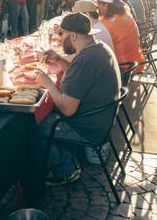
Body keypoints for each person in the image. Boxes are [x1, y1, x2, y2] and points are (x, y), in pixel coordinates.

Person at [36, 12, 120, 185]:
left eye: (61, 34)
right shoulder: (97, 48)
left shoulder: (86, 60)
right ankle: (66, 154)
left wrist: (48, 84)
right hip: (101, 120)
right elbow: (81, 77)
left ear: (73, 35)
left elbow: (67, 108)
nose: (59, 39)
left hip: (89, 128)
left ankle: (66, 169)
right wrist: (59, 59)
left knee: (34, 124)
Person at [98, 0, 144, 67]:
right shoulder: (128, 15)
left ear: (105, 5)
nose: (97, 5)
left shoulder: (102, 25)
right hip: (138, 63)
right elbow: (138, 37)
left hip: (122, 69)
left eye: (98, 2)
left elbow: (102, 54)